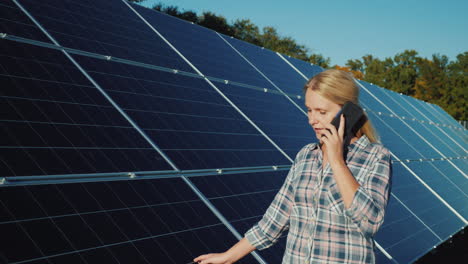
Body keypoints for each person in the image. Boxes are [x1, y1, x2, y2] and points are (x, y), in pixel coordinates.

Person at [193, 69, 392, 264]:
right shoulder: (306, 155)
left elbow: (370, 222)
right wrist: (228, 257)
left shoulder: (375, 156)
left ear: (348, 113)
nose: (312, 120)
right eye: (309, 110)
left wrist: (337, 161)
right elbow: (276, 218)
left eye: (322, 112)